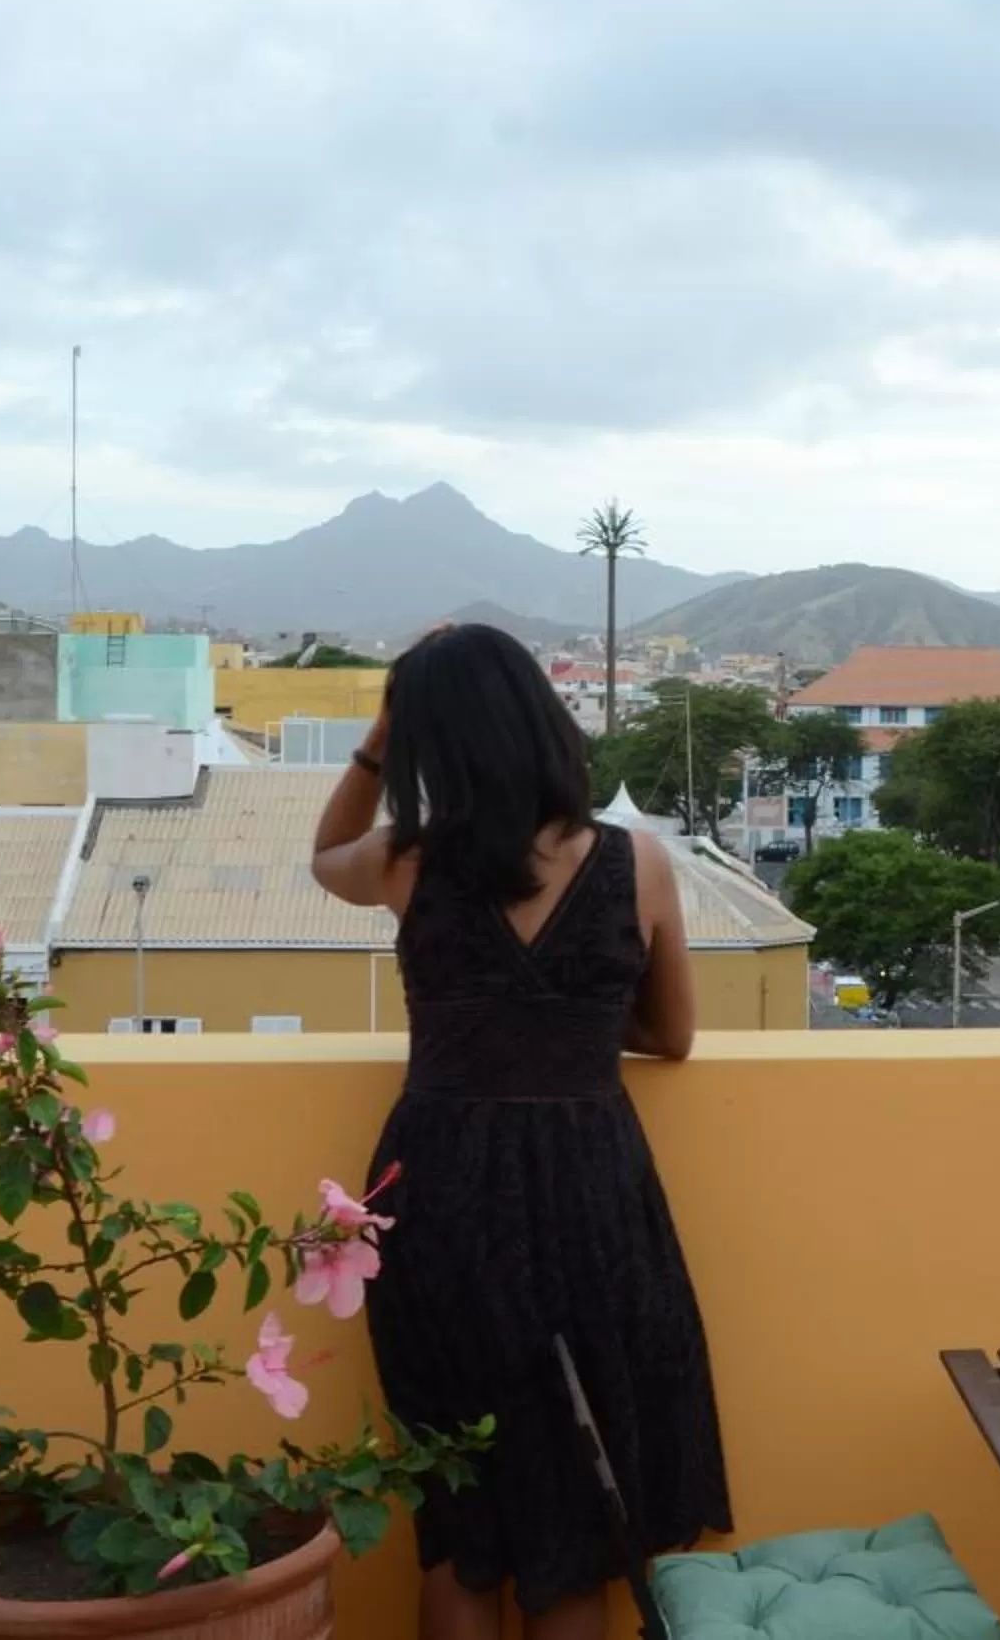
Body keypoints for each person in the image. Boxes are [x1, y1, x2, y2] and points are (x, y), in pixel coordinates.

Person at [311, 623, 730, 1639]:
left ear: (429, 740)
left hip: (440, 1187)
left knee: (462, 1516)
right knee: (575, 1512)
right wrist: (565, 1025)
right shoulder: (637, 862)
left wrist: (374, 746)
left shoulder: (406, 860)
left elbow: (323, 858)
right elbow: (672, 1036)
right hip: (592, 1187)